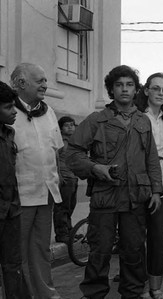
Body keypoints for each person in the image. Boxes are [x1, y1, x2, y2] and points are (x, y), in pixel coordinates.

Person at [66, 65, 163, 298]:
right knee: (99, 251)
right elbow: (72, 154)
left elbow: (151, 157)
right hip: (105, 196)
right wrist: (95, 168)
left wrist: (157, 191)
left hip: (136, 197)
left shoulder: (143, 121)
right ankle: (94, 293)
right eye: (119, 85)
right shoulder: (96, 120)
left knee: (134, 249)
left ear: (136, 89)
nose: (124, 89)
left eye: (129, 84)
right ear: (111, 89)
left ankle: (132, 292)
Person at [10, 63, 63, 299]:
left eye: (45, 80)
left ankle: (46, 293)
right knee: (16, 252)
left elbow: (56, 150)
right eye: (40, 80)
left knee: (41, 248)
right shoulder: (6, 111)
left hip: (46, 191)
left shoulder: (48, 111)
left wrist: (58, 178)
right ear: (21, 83)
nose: (45, 85)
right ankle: (21, 294)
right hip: (19, 194)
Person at [135, 72, 163, 299]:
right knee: (136, 236)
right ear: (146, 90)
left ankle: (155, 287)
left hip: (162, 181)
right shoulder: (137, 115)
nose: (160, 93)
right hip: (138, 179)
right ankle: (137, 285)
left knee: (159, 236)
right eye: (156, 88)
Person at [0, 80, 29, 299]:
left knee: (13, 264)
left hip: (11, 210)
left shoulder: (9, 134)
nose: (14, 112)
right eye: (8, 107)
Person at [53, 116, 78, 244]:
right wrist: (58, 175)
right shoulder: (59, 141)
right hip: (64, 178)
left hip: (73, 177)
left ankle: (70, 231)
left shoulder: (74, 141)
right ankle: (61, 234)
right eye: (67, 125)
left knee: (70, 206)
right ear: (61, 128)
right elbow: (54, 158)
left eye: (72, 125)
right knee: (62, 207)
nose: (70, 127)